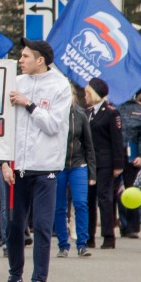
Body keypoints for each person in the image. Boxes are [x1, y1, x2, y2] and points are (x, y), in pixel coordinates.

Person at [0, 39, 71, 282]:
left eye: (25, 56)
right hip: (17, 169)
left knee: (42, 226)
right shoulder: (16, 82)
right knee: (15, 226)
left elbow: (53, 125)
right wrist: (5, 162)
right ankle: (14, 278)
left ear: (39, 60)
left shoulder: (60, 86)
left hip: (46, 169)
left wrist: (29, 104)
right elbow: (5, 127)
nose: (20, 60)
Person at [55, 87, 96, 257]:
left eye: (70, 94)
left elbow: (89, 145)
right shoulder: (54, 114)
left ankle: (82, 243)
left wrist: (92, 173)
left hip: (78, 164)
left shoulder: (80, 115)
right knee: (59, 207)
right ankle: (63, 244)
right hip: (58, 166)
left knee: (80, 203)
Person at [85, 78, 124, 249]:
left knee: (105, 198)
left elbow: (117, 139)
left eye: (87, 93)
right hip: (89, 163)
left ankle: (108, 236)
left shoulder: (111, 113)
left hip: (105, 162)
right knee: (88, 200)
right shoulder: (86, 113)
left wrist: (118, 164)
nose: (84, 96)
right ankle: (88, 236)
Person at [117, 92, 141, 238]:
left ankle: (133, 227)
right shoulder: (112, 107)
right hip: (113, 155)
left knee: (132, 190)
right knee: (112, 193)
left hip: (132, 157)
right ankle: (118, 224)